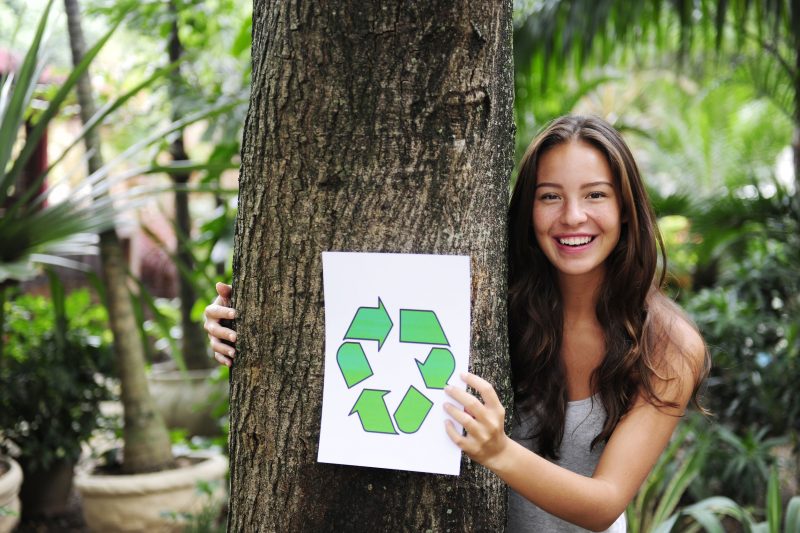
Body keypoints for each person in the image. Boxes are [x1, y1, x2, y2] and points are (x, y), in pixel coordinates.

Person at [203, 115, 709, 532]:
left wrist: (499, 451)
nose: (572, 216)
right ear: (528, 210)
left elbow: (605, 503)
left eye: (596, 195)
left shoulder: (667, 346)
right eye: (550, 196)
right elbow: (370, 329)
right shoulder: (497, 305)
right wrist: (245, 328)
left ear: (626, 208)